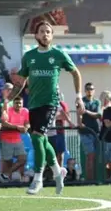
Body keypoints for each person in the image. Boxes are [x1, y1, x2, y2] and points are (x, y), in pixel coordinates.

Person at [17, 21, 83, 196]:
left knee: (38, 138)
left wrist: (78, 96)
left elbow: (75, 72)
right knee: (42, 141)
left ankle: (38, 179)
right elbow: (22, 80)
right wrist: (9, 99)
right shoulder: (29, 56)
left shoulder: (58, 54)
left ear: (52, 36)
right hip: (34, 104)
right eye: (42, 31)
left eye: (48, 32)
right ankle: (58, 171)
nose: (45, 34)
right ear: (36, 35)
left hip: (51, 103)